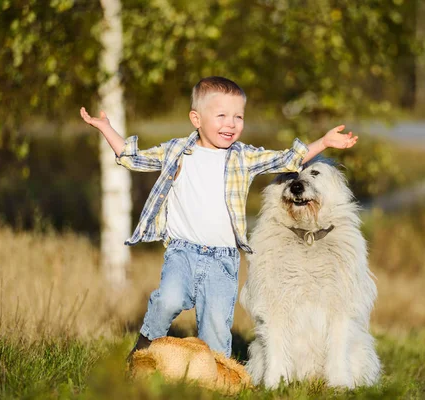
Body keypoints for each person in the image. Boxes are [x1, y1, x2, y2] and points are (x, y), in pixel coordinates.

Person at [80, 76, 358, 360]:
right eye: (222, 115)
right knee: (168, 300)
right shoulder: (176, 152)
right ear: (196, 119)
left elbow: (288, 159)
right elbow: (133, 157)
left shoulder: (243, 157)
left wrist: (324, 142)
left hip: (222, 261)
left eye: (238, 116)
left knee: (215, 333)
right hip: (182, 253)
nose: (231, 124)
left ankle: (214, 381)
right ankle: (143, 347)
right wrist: (106, 128)